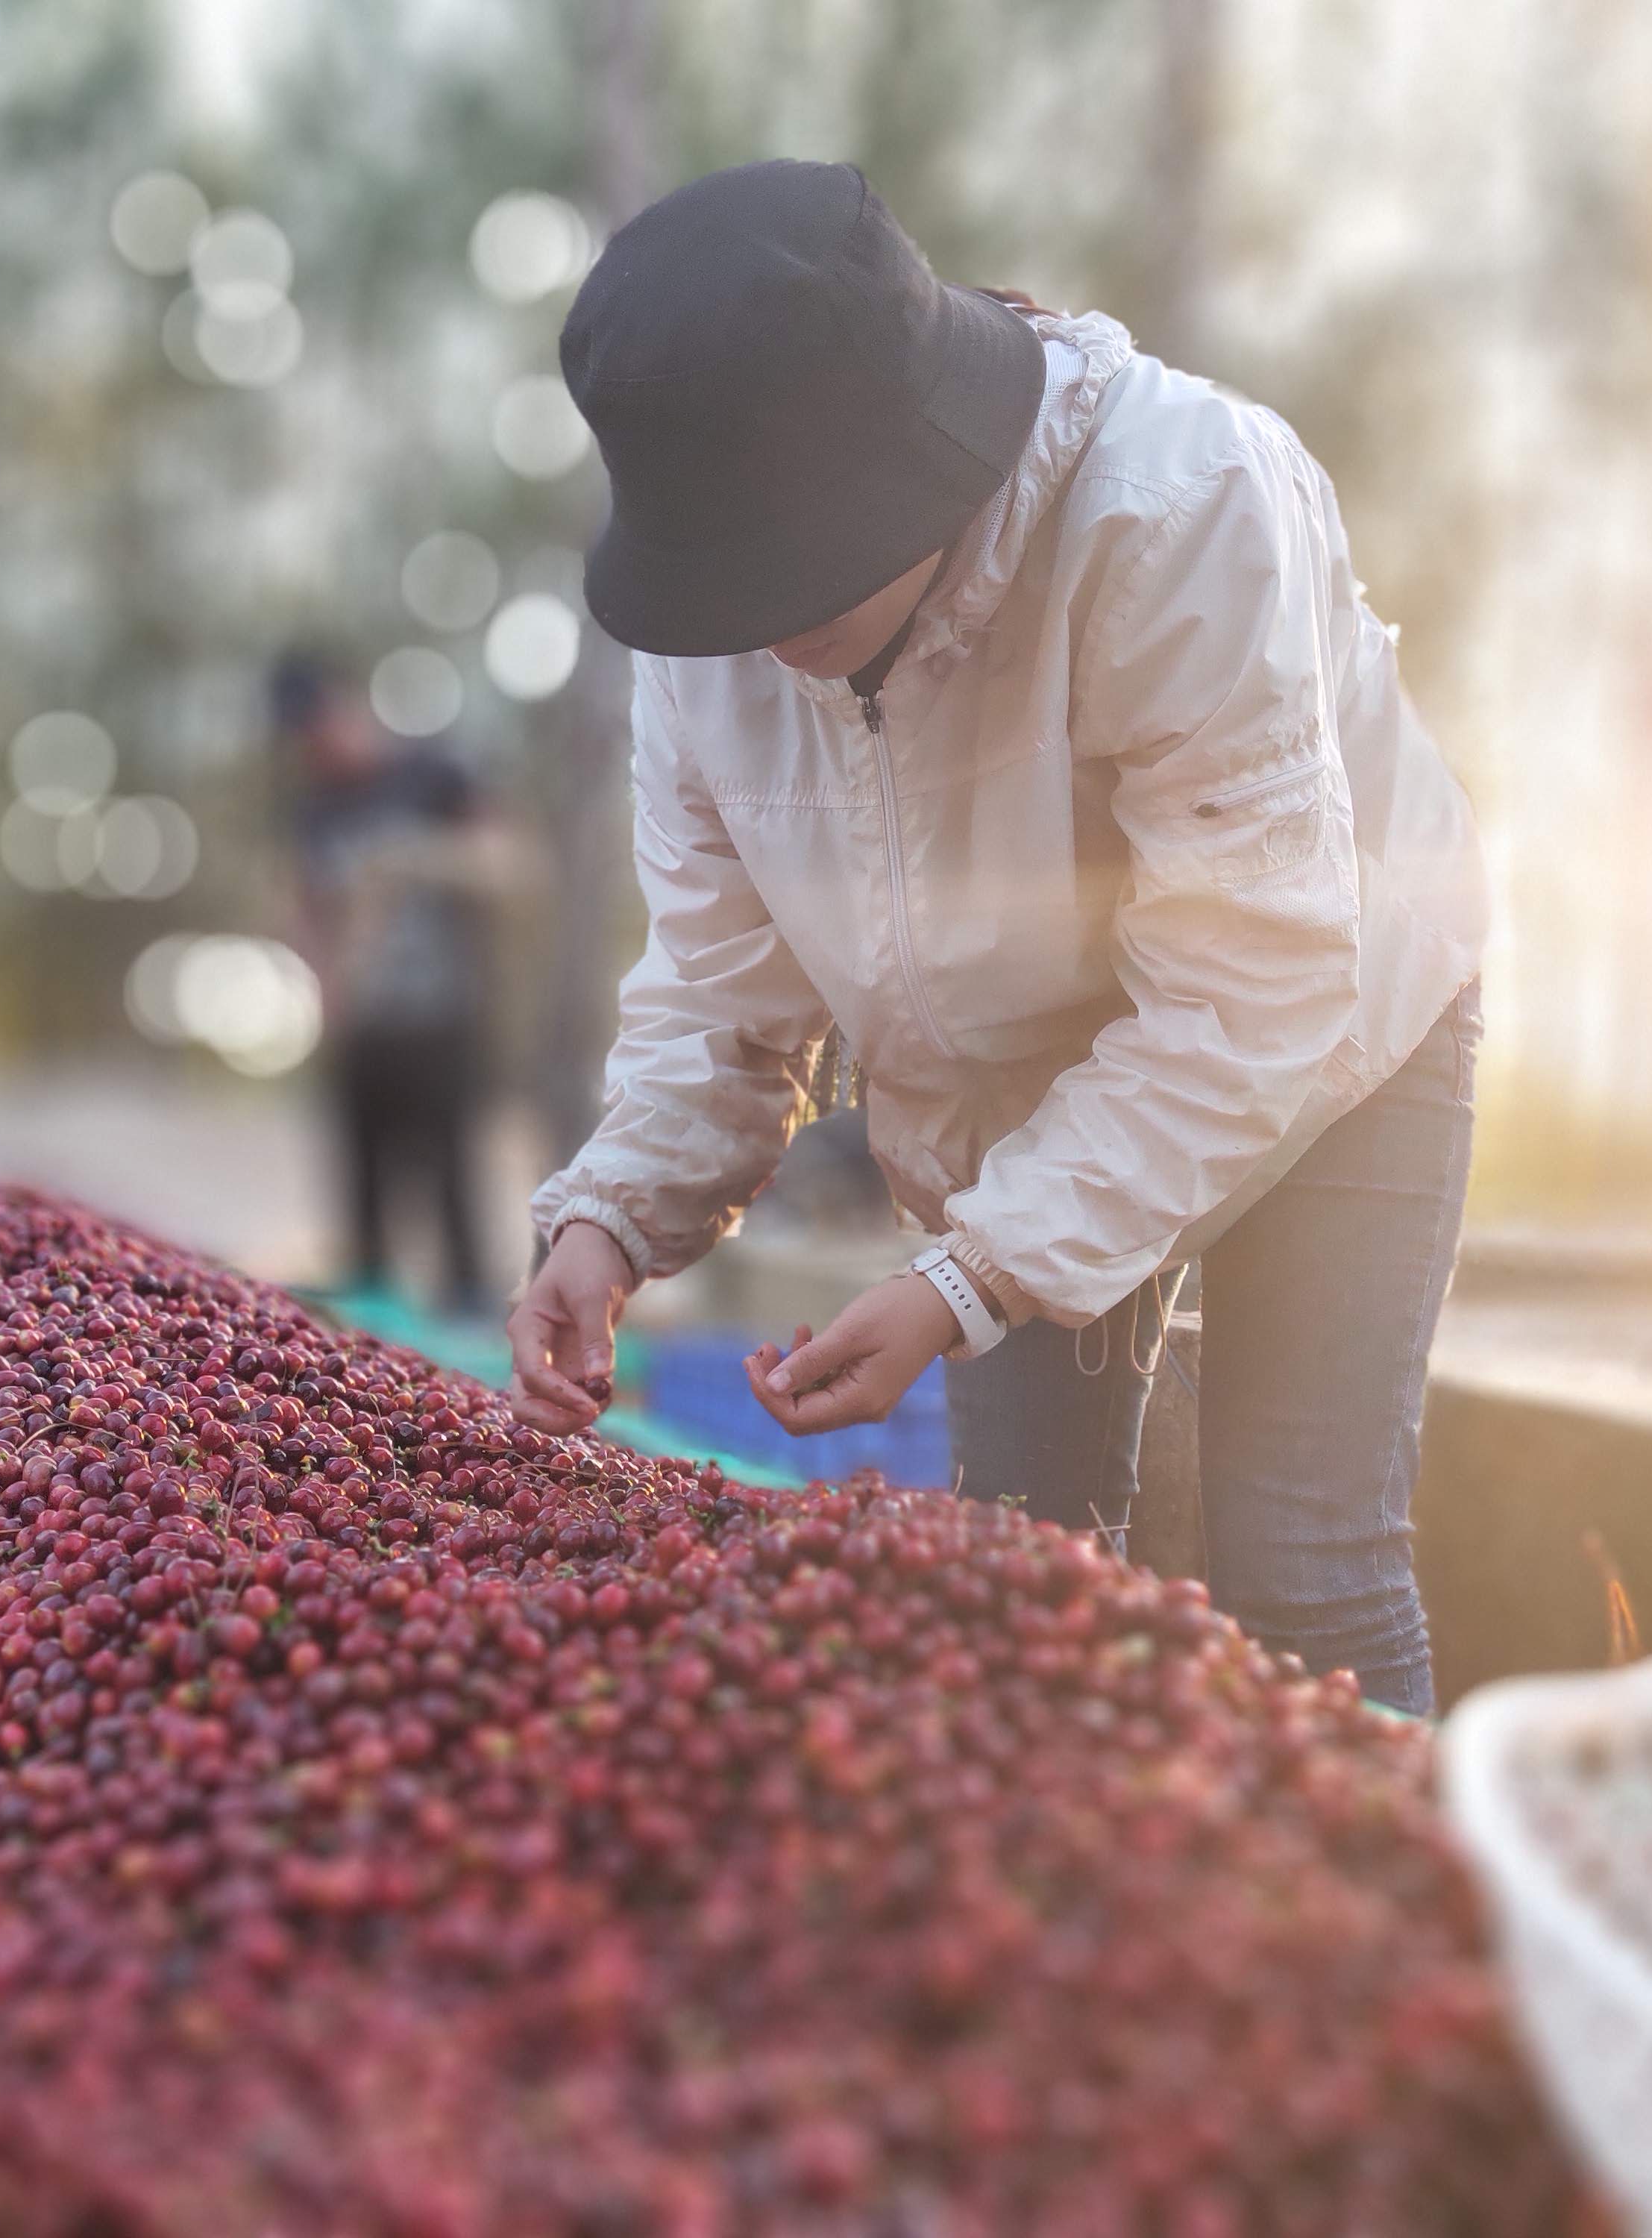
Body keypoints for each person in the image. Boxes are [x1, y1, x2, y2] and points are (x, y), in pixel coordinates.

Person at [503, 161, 1486, 1717]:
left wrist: (966, 1281)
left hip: (1334, 1023)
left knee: (1300, 1567)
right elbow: (719, 991)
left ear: (930, 457)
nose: (768, 629)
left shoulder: (1177, 509)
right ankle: (1098, 1868)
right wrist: (607, 1224)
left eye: (797, 569)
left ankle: (1381, 1875)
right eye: (729, 583)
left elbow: (1252, 991)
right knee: (1026, 1568)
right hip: (1018, 1098)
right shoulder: (706, 651)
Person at [275, 651, 521, 1315]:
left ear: (349, 702)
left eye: (320, 725)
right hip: (363, 1029)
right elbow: (304, 913)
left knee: (453, 1193)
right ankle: (368, 1337)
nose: (316, 746)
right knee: (363, 1210)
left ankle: (467, 1316)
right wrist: (325, 989)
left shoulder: (434, 775)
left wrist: (418, 859)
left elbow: (506, 864)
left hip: (443, 1019)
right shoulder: (315, 809)